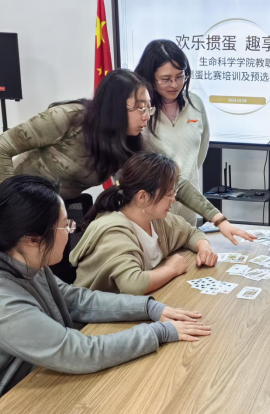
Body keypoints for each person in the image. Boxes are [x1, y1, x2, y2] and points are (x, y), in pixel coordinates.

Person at [0, 175, 211, 396]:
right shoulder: (5, 300)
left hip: (47, 375)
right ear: (32, 239)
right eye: (64, 226)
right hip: (20, 397)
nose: (69, 231)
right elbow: (79, 352)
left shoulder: (31, 265)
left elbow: (77, 300)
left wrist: (149, 308)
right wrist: (157, 332)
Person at [0, 69, 254, 246]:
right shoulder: (69, 118)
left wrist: (218, 219)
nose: (146, 116)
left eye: (148, 107)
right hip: (17, 204)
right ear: (114, 106)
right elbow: (3, 146)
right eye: (139, 107)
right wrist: (13, 202)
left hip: (58, 209)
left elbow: (170, 181)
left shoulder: (127, 144)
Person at [70, 152, 217, 295]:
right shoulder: (114, 232)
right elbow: (134, 285)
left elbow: (191, 233)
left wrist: (204, 248)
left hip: (140, 302)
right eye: (168, 194)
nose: (173, 199)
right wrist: (171, 269)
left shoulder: (156, 220)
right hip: (97, 311)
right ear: (143, 197)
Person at [135, 39, 210, 227]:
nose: (175, 84)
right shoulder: (139, 110)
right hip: (151, 208)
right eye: (166, 79)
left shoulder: (195, 103)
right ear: (150, 77)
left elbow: (200, 151)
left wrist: (186, 180)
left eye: (180, 76)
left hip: (188, 206)